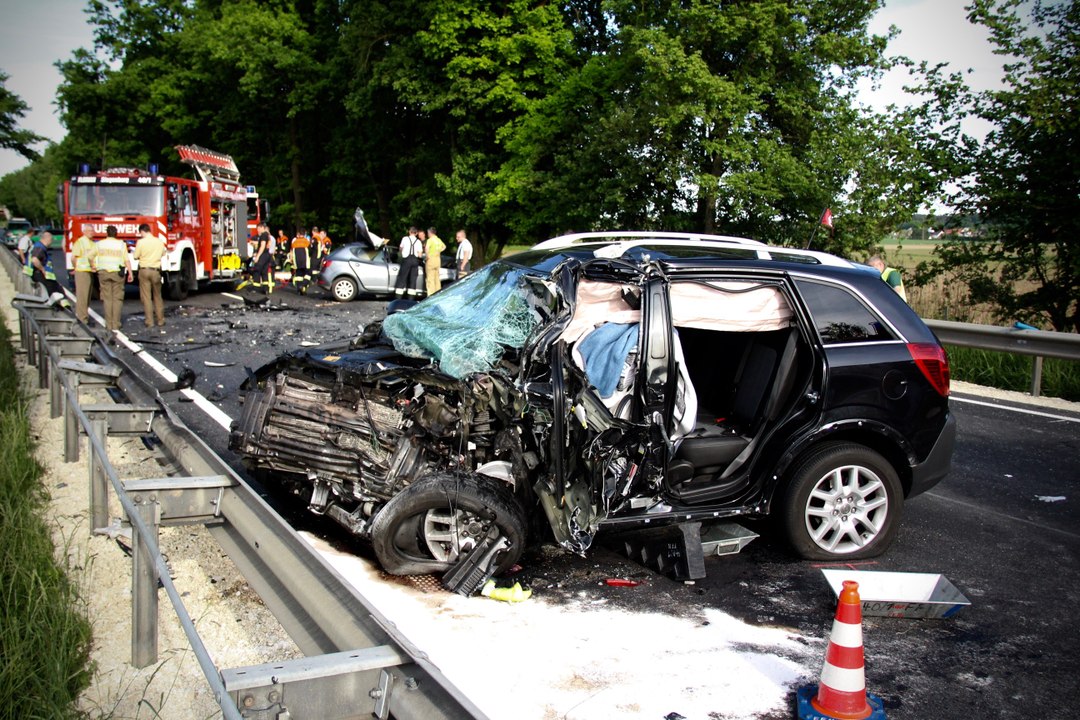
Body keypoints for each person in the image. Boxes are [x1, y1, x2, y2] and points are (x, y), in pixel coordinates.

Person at [95, 225, 133, 331]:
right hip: (117, 273)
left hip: (103, 272)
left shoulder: (99, 244)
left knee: (107, 298)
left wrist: (94, 267)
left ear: (106, 233)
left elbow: (91, 256)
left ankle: (109, 323)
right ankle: (116, 323)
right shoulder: (121, 245)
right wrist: (130, 273)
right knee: (117, 298)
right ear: (116, 234)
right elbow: (126, 260)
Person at [25, 231, 72, 310]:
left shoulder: (38, 246)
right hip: (41, 274)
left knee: (56, 290)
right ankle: (63, 310)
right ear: (47, 239)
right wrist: (42, 269)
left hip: (38, 274)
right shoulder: (40, 247)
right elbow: (35, 260)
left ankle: (62, 308)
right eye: (51, 240)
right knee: (56, 292)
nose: (51, 242)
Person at [132, 223, 166, 328]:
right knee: (158, 296)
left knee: (146, 297)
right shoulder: (159, 241)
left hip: (144, 270)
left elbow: (135, 256)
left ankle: (149, 321)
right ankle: (160, 320)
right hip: (156, 271)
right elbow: (163, 254)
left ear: (142, 231)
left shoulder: (141, 242)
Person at [70, 223, 98, 323]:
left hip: (89, 271)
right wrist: (75, 267)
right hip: (82, 271)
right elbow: (74, 257)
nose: (92, 232)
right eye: (90, 231)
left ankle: (84, 316)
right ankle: (82, 319)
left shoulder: (92, 243)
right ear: (84, 231)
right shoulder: (80, 242)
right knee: (82, 296)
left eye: (92, 230)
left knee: (87, 296)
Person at [394, 226, 423, 296]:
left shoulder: (405, 239)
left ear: (409, 232)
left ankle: (398, 298)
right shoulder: (418, 241)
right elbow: (420, 255)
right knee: (413, 280)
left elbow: (401, 248)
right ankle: (411, 299)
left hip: (406, 260)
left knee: (402, 278)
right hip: (415, 261)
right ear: (416, 233)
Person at [250, 222, 274, 294]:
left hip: (263, 255)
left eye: (258, 229)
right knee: (264, 272)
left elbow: (262, 246)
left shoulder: (263, 235)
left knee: (257, 270)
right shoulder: (267, 235)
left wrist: (257, 256)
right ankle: (265, 289)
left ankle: (256, 288)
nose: (257, 230)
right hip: (267, 255)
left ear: (261, 228)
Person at [290, 228, 313, 294]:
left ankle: (299, 289)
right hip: (305, 262)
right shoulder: (306, 242)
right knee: (308, 274)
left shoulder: (294, 242)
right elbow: (310, 251)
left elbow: (292, 251)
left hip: (297, 262)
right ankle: (303, 285)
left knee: (298, 276)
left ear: (299, 234)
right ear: (304, 234)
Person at [424, 226, 445, 295]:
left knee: (430, 279)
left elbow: (427, 249)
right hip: (437, 260)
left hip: (430, 259)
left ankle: (430, 294)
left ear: (430, 233)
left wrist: (427, 257)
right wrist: (438, 251)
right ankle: (437, 293)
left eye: (428, 233)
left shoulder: (430, 240)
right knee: (437, 278)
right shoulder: (438, 240)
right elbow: (444, 247)